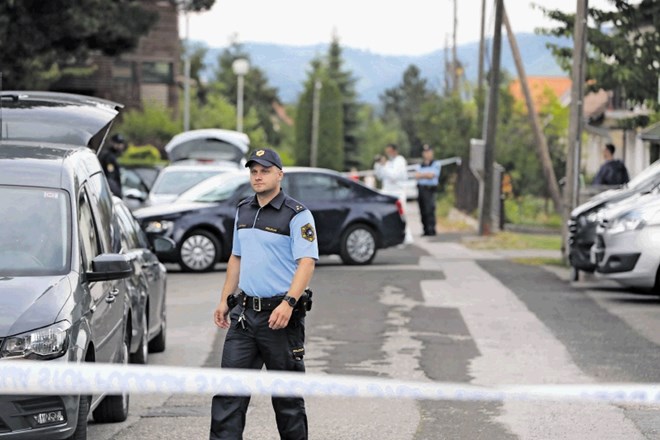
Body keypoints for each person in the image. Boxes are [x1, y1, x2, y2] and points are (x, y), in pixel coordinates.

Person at [210, 148, 318, 440]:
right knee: (228, 396)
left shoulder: (297, 214)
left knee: (288, 401)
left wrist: (288, 303)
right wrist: (224, 299)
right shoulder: (243, 209)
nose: (258, 176)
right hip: (244, 317)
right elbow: (236, 258)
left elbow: (306, 263)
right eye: (253, 171)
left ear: (279, 175)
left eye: (265, 170)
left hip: (281, 319)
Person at [374, 143, 413, 244]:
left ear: (395, 151)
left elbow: (394, 176)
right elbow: (379, 176)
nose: (388, 154)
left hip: (398, 192)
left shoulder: (400, 161)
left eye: (390, 152)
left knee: (401, 215)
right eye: (387, 152)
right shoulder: (388, 163)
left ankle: (407, 237)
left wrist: (384, 167)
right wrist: (378, 165)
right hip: (387, 192)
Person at [414, 144, 441, 236]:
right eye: (425, 152)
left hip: (430, 190)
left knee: (430, 210)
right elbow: (417, 176)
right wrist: (426, 175)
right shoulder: (420, 164)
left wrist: (423, 175)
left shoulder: (435, 163)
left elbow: (432, 175)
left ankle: (431, 229)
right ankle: (425, 229)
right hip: (421, 189)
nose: (427, 154)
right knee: (423, 210)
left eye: (428, 152)